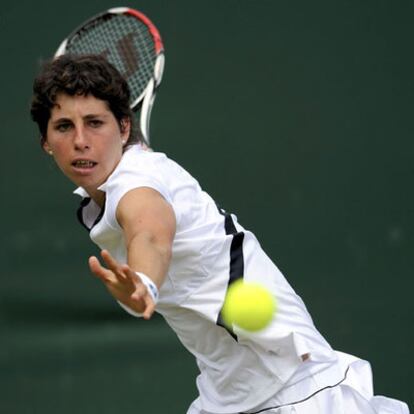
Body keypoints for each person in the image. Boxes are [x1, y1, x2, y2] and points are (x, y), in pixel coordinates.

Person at [30, 54, 409, 414]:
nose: (81, 140)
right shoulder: (100, 199)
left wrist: (145, 281)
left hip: (292, 384)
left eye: (95, 123)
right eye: (64, 126)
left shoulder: (139, 183)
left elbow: (150, 234)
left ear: (124, 127)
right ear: (46, 141)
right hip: (230, 392)